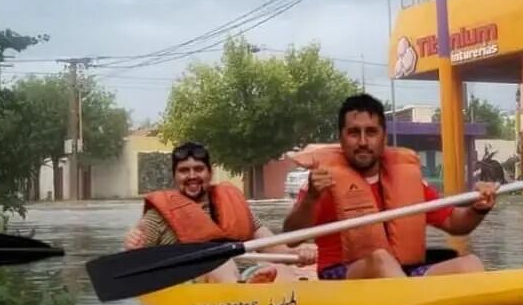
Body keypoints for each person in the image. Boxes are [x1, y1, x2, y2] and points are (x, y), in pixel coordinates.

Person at [283, 94, 498, 280]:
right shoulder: (322, 181)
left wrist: (479, 208)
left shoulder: (406, 177)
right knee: (380, 260)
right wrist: (311, 198)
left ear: (383, 137)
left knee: (470, 264)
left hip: (402, 274)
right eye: (354, 133)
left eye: (371, 132)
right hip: (343, 274)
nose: (363, 142)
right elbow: (291, 238)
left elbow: (455, 223)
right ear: (341, 138)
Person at [123, 141, 316, 283]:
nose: (192, 176)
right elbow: (136, 262)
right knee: (221, 265)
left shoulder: (233, 204)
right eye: (184, 171)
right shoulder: (157, 217)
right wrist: (132, 244)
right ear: (175, 176)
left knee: (281, 270)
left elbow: (272, 247)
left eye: (198, 169)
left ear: (209, 173)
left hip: (247, 272)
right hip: (200, 279)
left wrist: (301, 253)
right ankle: (244, 295)